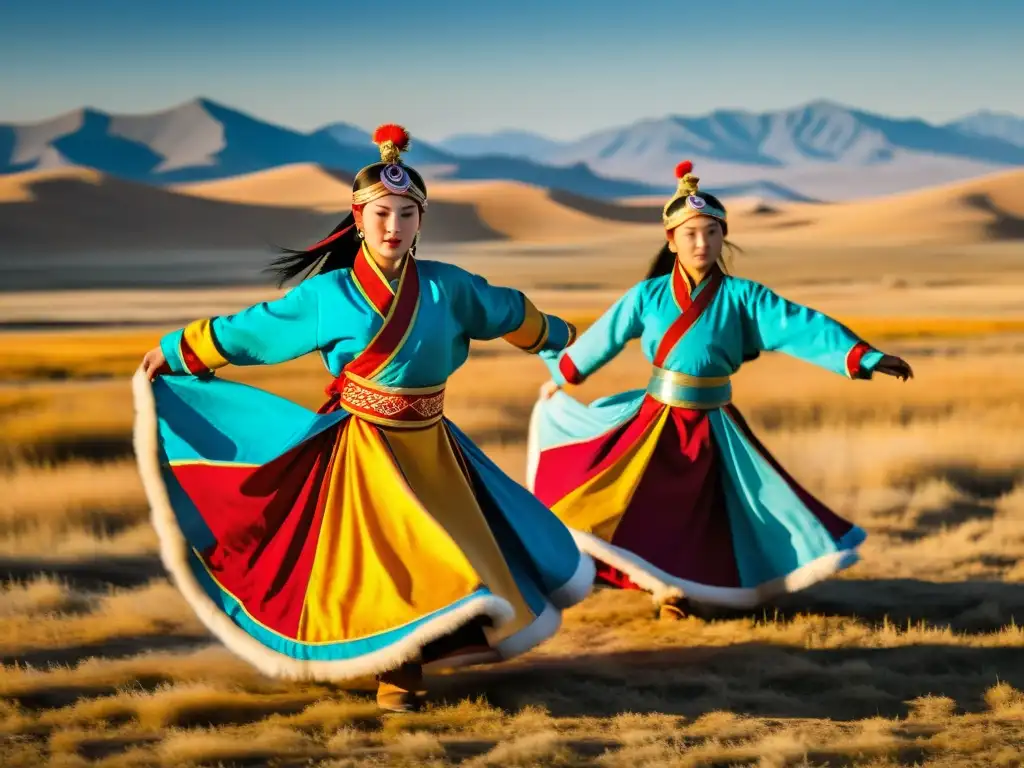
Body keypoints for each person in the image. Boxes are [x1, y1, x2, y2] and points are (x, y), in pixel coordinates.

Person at [133, 124, 594, 712]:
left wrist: (556, 337)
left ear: (421, 221)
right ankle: (397, 670)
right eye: (380, 214)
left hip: (432, 446)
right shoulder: (330, 295)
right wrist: (178, 351)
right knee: (384, 554)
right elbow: (255, 329)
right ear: (357, 218)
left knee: (451, 549)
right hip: (362, 446)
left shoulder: (449, 287)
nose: (392, 227)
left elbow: (506, 309)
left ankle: (430, 647)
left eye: (406, 214)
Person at [525, 160, 912, 620]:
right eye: (690, 234)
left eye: (711, 232)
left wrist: (864, 357)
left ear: (723, 235)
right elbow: (601, 340)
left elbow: (802, 325)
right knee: (639, 508)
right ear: (671, 241)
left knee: (715, 516)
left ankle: (694, 590)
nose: (701, 242)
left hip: (716, 426)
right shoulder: (647, 296)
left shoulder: (745, 297)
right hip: (654, 423)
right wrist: (562, 376)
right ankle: (666, 592)